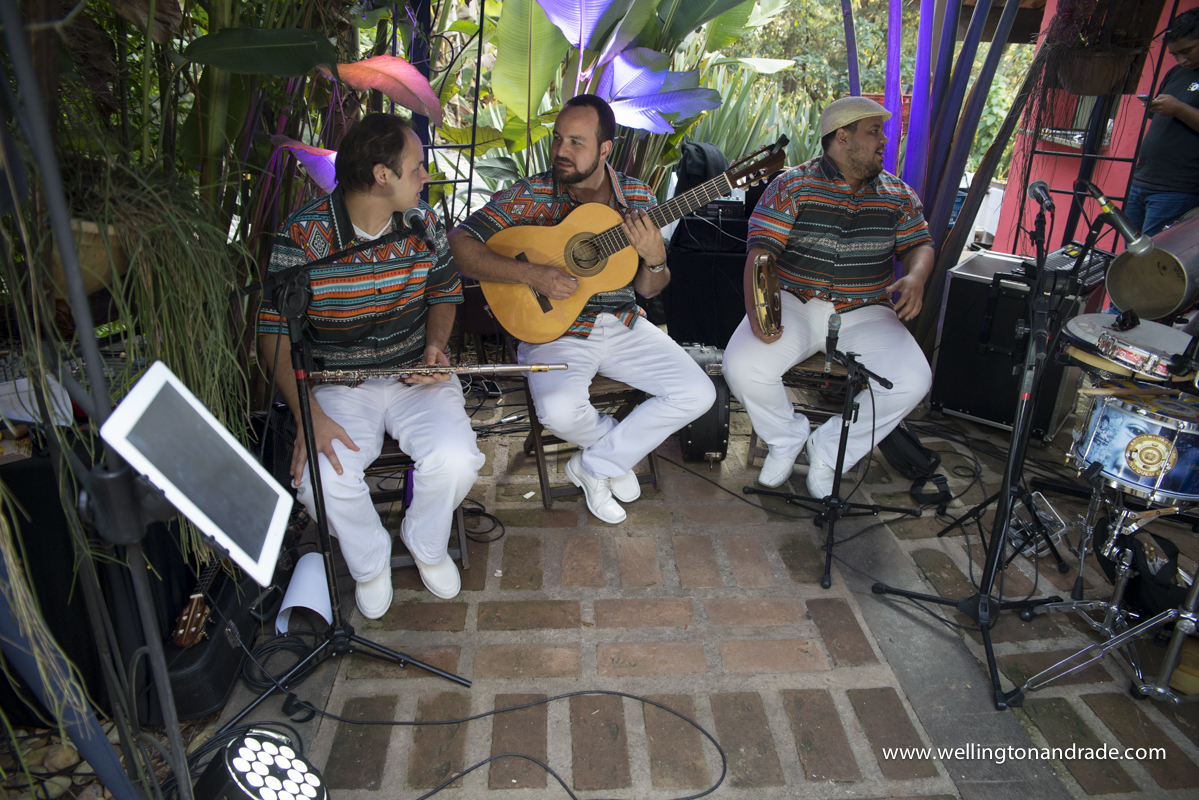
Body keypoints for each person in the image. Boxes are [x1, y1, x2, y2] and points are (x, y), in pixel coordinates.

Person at [448, 94, 715, 524]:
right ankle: (616, 456)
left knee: (699, 393)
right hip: (554, 328)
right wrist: (531, 276)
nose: (561, 151)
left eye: (576, 142)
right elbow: (459, 246)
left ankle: (593, 466)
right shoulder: (531, 193)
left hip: (624, 323)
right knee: (557, 411)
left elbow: (650, 288)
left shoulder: (637, 198)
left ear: (604, 148)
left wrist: (655, 258)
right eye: (558, 140)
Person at [258, 114, 484, 616]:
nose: (425, 176)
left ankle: (426, 543)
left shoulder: (423, 224)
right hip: (341, 383)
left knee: (457, 459)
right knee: (319, 479)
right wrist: (306, 414)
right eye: (417, 167)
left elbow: (445, 292)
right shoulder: (302, 237)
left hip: (414, 375)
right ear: (383, 176)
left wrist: (436, 348)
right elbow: (272, 334)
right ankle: (369, 561)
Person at [722, 96, 935, 499]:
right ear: (842, 137)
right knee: (741, 365)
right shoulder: (791, 185)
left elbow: (920, 244)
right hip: (795, 301)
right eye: (874, 131)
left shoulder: (897, 195)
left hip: (866, 310)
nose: (884, 141)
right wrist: (757, 315)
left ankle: (831, 450)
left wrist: (917, 277)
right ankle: (786, 438)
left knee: (912, 380)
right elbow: (760, 253)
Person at [1126, 8, 1199, 237]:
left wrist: (1178, 108)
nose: (1181, 59)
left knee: (1153, 259)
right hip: (1143, 179)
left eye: (1187, 51)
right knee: (1131, 254)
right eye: (1175, 54)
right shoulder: (1176, 73)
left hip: (1177, 188)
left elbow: (1178, 111)